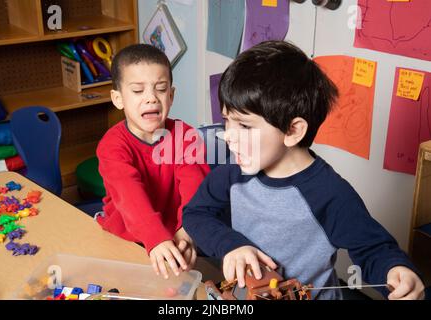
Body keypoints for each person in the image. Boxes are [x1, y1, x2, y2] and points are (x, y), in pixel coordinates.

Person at [183, 41, 424, 300]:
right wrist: (232, 245)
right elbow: (196, 214)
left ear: (292, 131)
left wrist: (395, 269)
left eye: (244, 126)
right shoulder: (231, 173)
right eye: (226, 120)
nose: (228, 136)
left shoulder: (330, 193)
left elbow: (373, 248)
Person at [96, 44, 210, 279]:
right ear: (118, 99)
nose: (151, 99)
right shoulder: (112, 145)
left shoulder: (185, 136)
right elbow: (129, 196)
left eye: (160, 89)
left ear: (171, 95)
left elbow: (195, 186)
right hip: (126, 237)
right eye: (138, 91)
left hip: (176, 235)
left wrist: (187, 228)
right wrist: (155, 238)